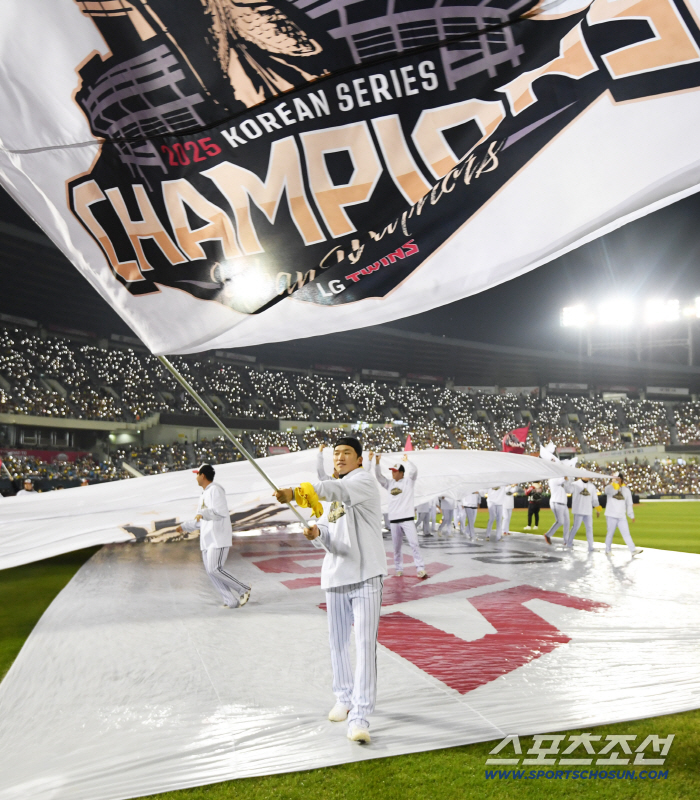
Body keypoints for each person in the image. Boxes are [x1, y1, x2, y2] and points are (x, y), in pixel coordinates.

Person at [274, 437, 386, 744]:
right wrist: (315, 532)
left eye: (346, 453)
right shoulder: (335, 499)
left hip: (366, 576)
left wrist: (295, 492)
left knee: (364, 645)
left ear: (359, 459)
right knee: (337, 642)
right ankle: (344, 697)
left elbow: (332, 488)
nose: (339, 457)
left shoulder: (362, 482)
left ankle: (361, 716)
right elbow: (329, 533)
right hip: (336, 577)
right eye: (336, 453)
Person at [176, 464, 250, 609]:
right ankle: (231, 601)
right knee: (211, 572)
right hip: (207, 539)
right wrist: (184, 526)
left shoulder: (216, 490)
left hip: (218, 537)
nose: (196, 477)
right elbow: (200, 521)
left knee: (214, 568)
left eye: (197, 474)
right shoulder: (203, 494)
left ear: (203, 475)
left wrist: (203, 514)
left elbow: (220, 512)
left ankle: (243, 589)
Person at [374, 453, 427, 580]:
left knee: (414, 543)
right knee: (396, 547)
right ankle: (398, 568)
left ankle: (420, 568)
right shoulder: (389, 484)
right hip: (394, 521)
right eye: (392, 471)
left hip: (407, 519)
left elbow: (414, 471)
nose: (393, 473)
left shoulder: (409, 481)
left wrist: (407, 461)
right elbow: (379, 476)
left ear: (402, 473)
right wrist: (376, 463)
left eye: (395, 471)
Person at [604, 472, 642, 557]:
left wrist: (631, 515)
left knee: (626, 533)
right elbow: (606, 491)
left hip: (621, 516)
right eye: (615, 479)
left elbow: (629, 503)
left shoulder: (626, 490)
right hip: (611, 515)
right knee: (610, 533)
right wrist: (613, 485)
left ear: (621, 479)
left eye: (618, 479)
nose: (617, 481)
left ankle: (633, 550)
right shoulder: (610, 488)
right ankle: (607, 550)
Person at [570, 478, 602, 551]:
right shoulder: (575, 484)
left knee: (589, 528)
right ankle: (569, 543)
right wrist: (567, 480)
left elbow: (594, 499)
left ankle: (591, 547)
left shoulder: (592, 486)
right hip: (578, 510)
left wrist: (597, 509)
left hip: (588, 511)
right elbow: (568, 490)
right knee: (575, 527)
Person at [543, 476, 572, 545]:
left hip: (564, 504)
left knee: (567, 523)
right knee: (560, 521)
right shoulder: (553, 479)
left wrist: (568, 481)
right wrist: (566, 477)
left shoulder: (562, 481)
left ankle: (566, 541)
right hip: (556, 502)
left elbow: (569, 489)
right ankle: (548, 535)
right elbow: (562, 480)